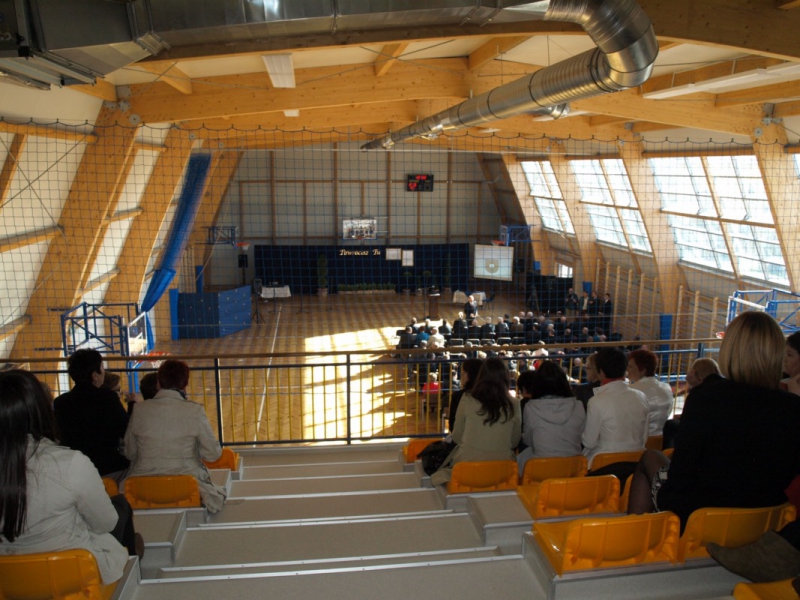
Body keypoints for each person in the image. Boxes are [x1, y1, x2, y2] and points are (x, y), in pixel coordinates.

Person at [626, 311, 800, 533]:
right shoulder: (793, 406)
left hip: (700, 513)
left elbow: (681, 474)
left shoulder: (706, 396)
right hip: (762, 518)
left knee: (650, 457)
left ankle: (634, 535)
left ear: (730, 350)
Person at [0, 370, 138, 584]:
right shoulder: (70, 463)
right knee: (119, 505)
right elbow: (106, 523)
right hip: (72, 578)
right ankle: (132, 574)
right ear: (40, 409)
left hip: (11, 582)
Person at [124, 360, 226, 513]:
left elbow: (130, 453)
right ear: (185, 384)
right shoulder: (195, 411)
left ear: (158, 383)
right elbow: (212, 454)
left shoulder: (139, 410)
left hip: (143, 488)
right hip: (185, 486)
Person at [431, 357, 521, 486]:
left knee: (438, 475)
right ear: (506, 379)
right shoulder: (515, 404)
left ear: (481, 377)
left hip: (468, 467)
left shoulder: (467, 399)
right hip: (502, 470)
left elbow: (457, 436)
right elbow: (514, 441)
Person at [53, 349, 130, 483]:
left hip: (75, 469)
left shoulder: (60, 402)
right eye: (102, 367)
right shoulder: (108, 398)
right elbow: (126, 430)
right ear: (95, 375)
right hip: (108, 468)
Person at [581, 347, 649, 469]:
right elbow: (644, 438)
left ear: (601, 372)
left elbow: (589, 443)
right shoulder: (641, 397)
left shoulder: (596, 402)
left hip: (604, 465)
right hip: (636, 463)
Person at [517, 361, 586, 475]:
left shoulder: (530, 407)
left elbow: (528, 440)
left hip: (542, 468)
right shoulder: (578, 405)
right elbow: (581, 436)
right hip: (573, 466)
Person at [627, 349, 674, 436]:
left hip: (639, 440)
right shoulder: (667, 387)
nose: (627, 370)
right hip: (662, 438)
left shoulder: (632, 390)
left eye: (630, 367)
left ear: (643, 370)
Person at [446, 358, 483, 433]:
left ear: (467, 375)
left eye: (463, 372)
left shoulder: (458, 396)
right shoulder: (493, 395)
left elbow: (453, 427)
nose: (461, 374)